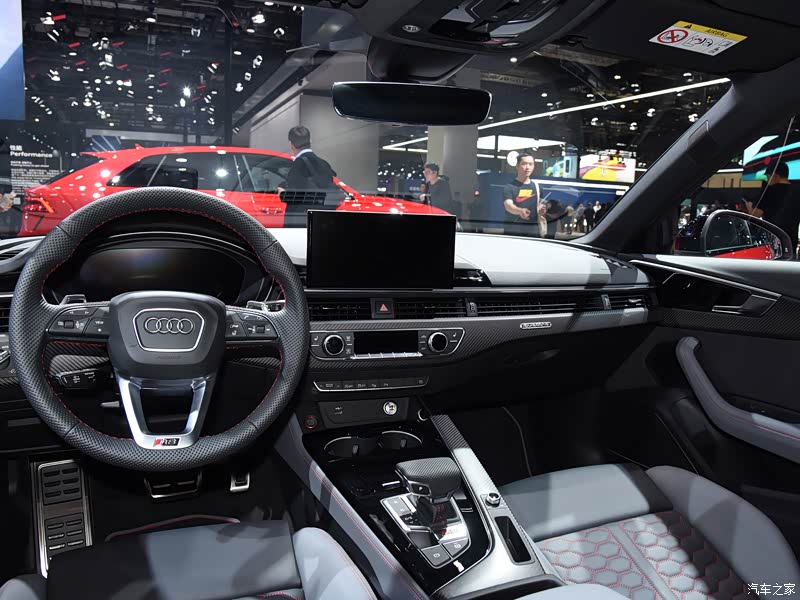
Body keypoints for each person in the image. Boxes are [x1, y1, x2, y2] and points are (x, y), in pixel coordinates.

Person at [746, 161, 799, 253]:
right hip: (791, 239)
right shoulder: (797, 191)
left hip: (773, 238)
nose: (767, 180)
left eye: (768, 177)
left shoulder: (769, 191)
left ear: (775, 175)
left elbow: (756, 215)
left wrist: (749, 205)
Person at [502, 151, 538, 236]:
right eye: (524, 164)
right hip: (513, 232)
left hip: (532, 233)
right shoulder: (509, 187)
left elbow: (539, 205)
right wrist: (520, 211)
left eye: (530, 164)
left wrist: (542, 210)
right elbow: (508, 205)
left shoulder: (537, 187)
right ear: (517, 166)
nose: (527, 167)